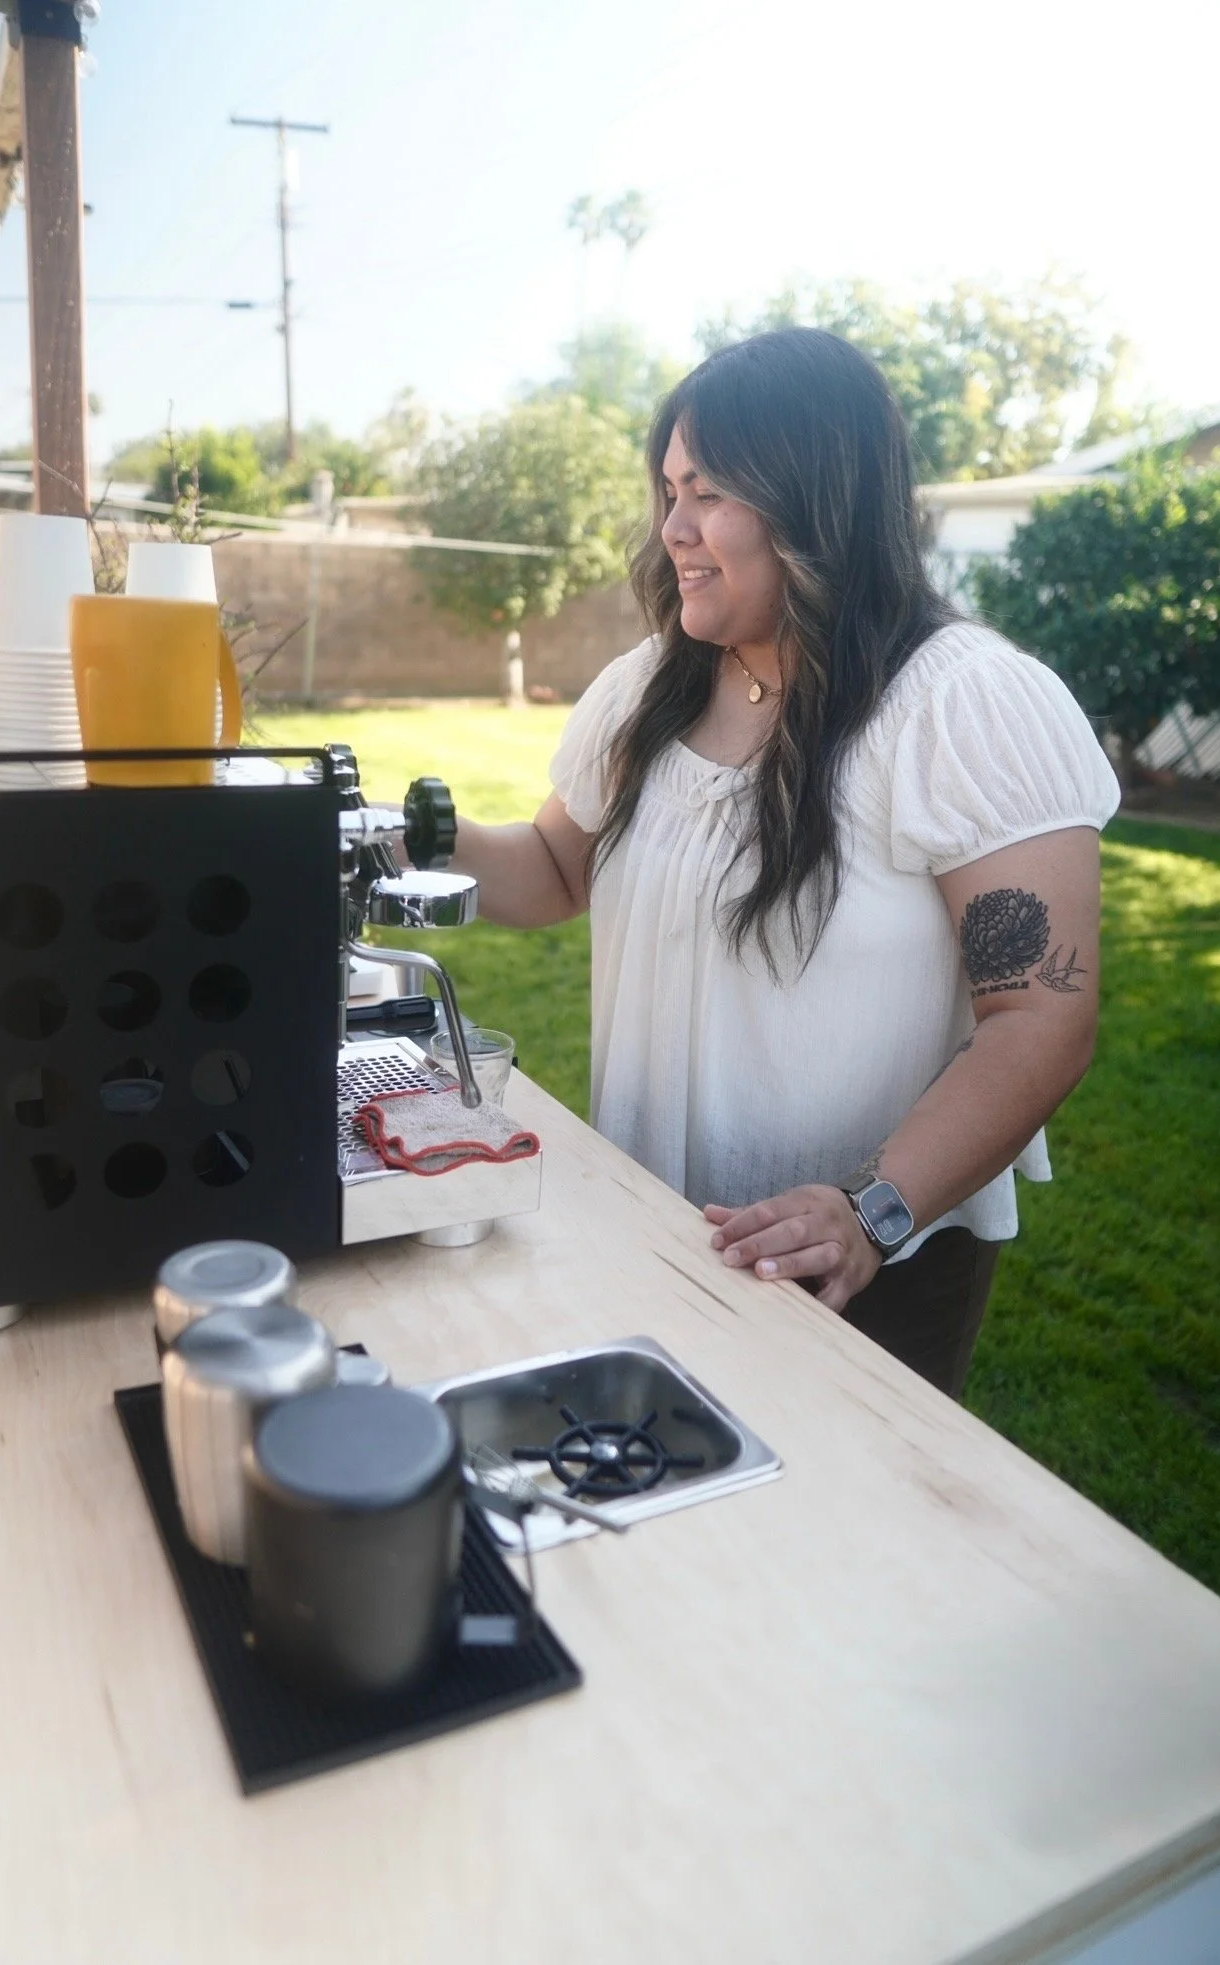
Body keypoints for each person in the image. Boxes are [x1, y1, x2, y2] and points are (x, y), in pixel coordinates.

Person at [447, 328, 1120, 1397]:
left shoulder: (964, 705)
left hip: (858, 1269)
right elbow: (551, 868)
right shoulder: (648, 687)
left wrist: (865, 1212)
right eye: (668, 490)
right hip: (647, 1225)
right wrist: (406, 837)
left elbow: (1040, 1016)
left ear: (816, 499)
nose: (673, 529)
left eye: (706, 492)